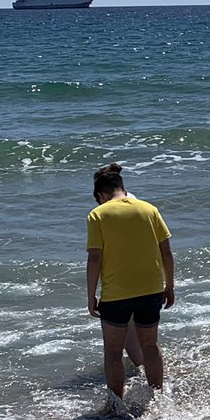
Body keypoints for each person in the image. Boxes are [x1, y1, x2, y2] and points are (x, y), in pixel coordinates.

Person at [86, 163, 175, 400]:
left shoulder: (98, 215)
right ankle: (157, 398)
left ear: (101, 195)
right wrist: (170, 287)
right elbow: (166, 252)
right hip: (151, 289)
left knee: (113, 351)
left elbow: (95, 258)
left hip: (116, 293)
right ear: (122, 188)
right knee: (151, 345)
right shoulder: (149, 209)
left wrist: (90, 296)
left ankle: (116, 405)